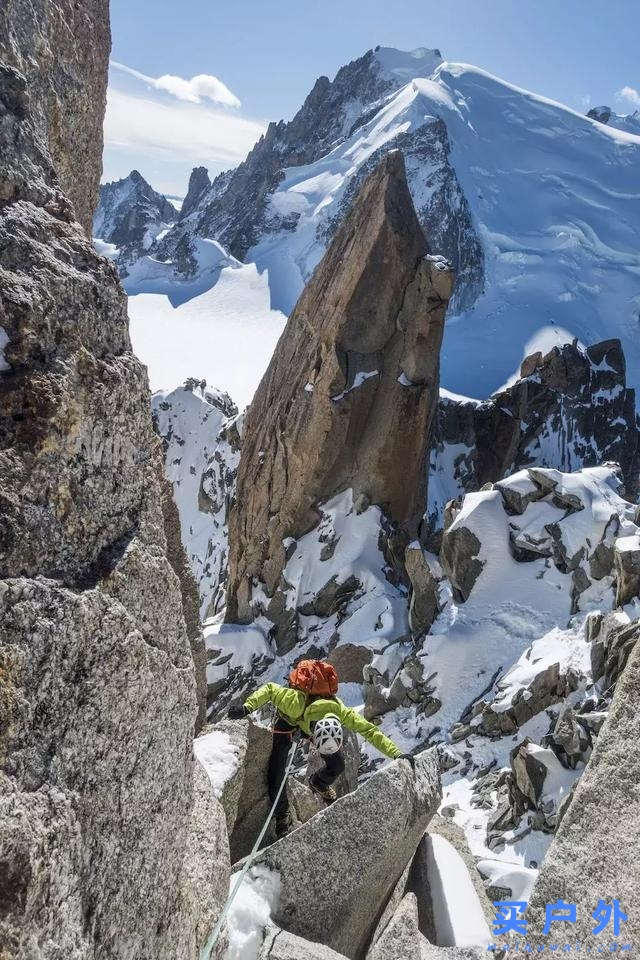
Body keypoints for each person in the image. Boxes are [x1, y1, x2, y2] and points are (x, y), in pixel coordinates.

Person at [228, 678, 415, 838]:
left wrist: (396, 754)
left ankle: (318, 782)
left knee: (337, 764)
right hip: (290, 719)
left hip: (315, 725)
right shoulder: (293, 703)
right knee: (276, 770)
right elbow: (269, 689)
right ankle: (282, 814)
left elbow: (370, 731)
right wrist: (247, 707)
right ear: (316, 735)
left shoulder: (342, 713)